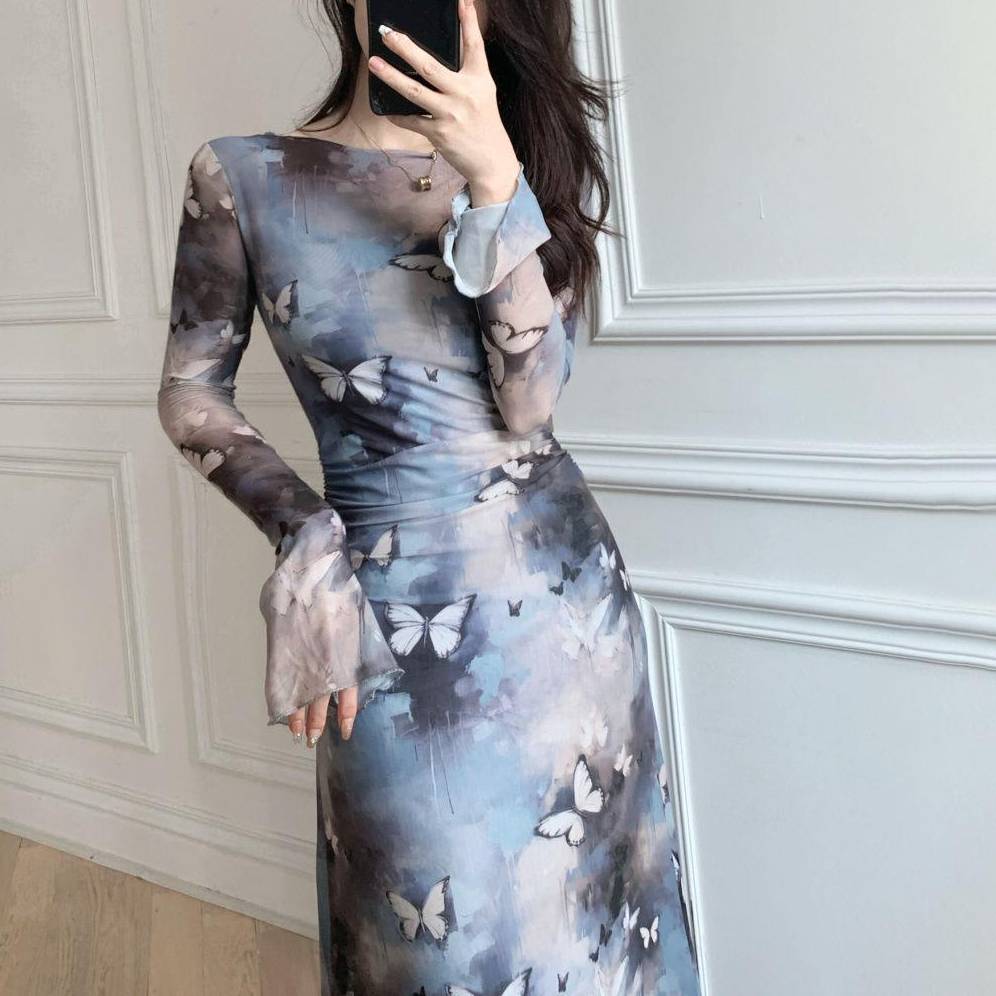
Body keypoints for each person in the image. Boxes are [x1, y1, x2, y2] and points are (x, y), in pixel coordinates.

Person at [156, 0, 701, 991]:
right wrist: (304, 532)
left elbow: (529, 403)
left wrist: (494, 181)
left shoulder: (522, 164)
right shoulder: (243, 176)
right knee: (437, 954)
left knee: (603, 943)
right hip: (393, 626)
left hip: (569, 621)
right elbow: (191, 393)